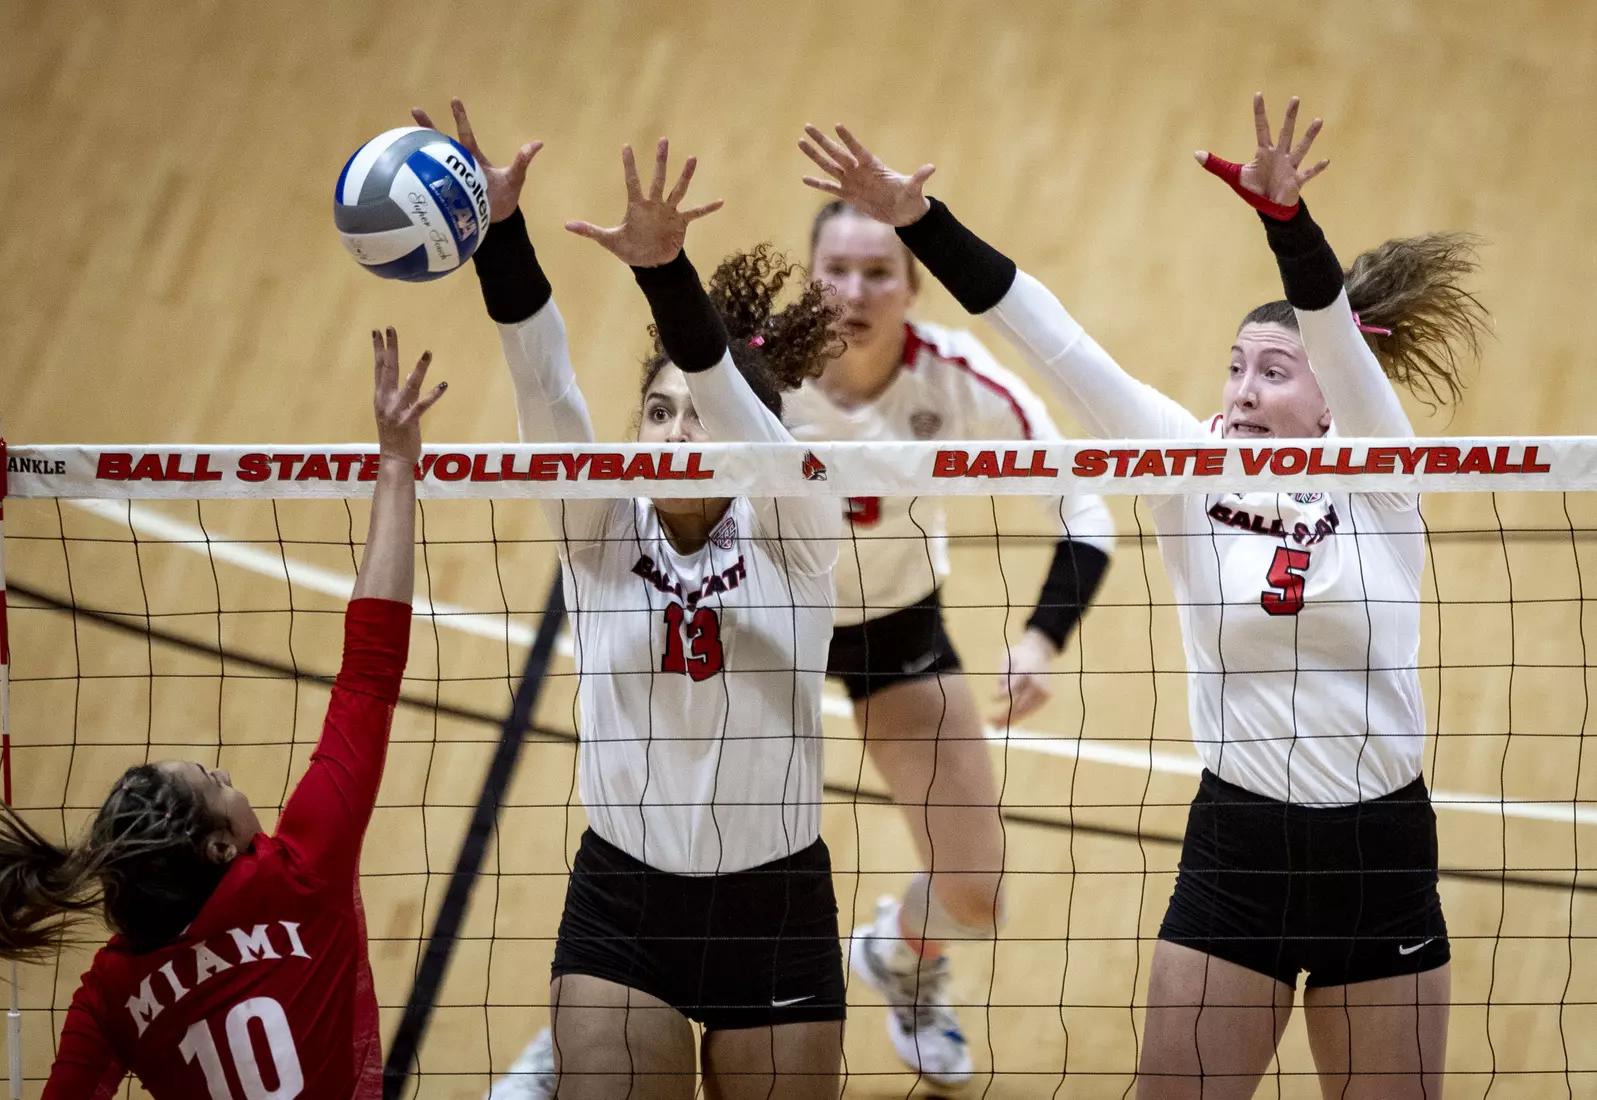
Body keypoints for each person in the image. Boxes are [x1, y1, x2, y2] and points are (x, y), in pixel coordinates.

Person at [798, 94, 1487, 1099]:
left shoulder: (1380, 477)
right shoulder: (1188, 464)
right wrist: (919, 224)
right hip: (1239, 853)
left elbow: (1336, 332)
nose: (1242, 389)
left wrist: (1286, 223)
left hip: (1380, 861)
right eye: (1234, 367)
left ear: (1331, 398)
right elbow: (1054, 340)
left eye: (1274, 371)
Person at [416, 99, 846, 1100]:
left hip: (775, 913)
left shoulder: (795, 532)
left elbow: (749, 422)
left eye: (695, 417)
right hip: (624, 907)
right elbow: (546, 387)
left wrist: (665, 274)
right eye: (655, 413)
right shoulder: (599, 533)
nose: (668, 434)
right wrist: (501, 235)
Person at [0, 328, 444, 1098]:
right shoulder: (304, 874)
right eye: (215, 780)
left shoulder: (112, 994)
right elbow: (370, 666)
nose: (231, 776)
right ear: (217, 846)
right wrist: (396, 461)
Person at [779, 201, 1114, 1087]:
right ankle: (576, 1031)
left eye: (878, 272)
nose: (853, 292)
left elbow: (1085, 507)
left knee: (974, 888)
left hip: (897, 632)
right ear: (806, 274)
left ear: (912, 286)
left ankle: (901, 954)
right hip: (763, 635)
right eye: (835, 270)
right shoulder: (747, 369)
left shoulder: (956, 379)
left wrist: (1043, 640)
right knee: (689, 863)